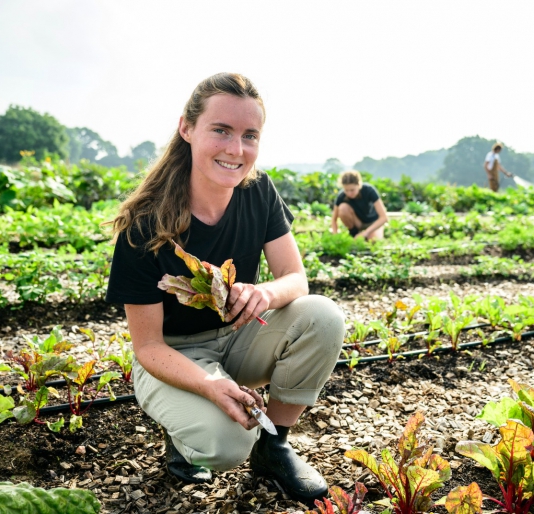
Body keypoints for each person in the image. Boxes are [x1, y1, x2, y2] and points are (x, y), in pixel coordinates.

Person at [103, 73, 345, 505]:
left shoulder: (259, 193)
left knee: (323, 315)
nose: (236, 150)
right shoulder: (144, 223)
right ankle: (183, 434)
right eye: (221, 131)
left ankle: (275, 448)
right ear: (187, 128)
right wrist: (208, 385)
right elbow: (148, 347)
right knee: (228, 445)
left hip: (237, 339)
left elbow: (296, 278)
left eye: (249, 135)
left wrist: (264, 294)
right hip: (173, 356)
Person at [330, 170, 388, 240]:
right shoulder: (341, 196)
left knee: (373, 241)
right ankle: (354, 234)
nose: (349, 193)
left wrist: (366, 232)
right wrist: (335, 236)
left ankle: (365, 235)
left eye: (352, 190)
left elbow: (384, 217)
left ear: (359, 185)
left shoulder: (369, 190)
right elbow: (334, 220)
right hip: (358, 223)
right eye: (346, 190)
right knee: (343, 208)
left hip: (373, 223)